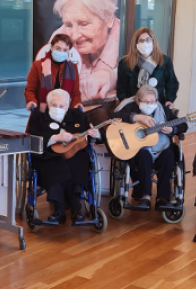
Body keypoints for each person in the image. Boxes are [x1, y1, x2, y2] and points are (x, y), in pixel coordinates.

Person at [35, 0, 121, 107]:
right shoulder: (60, 38)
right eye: (69, 25)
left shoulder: (125, 39)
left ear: (109, 19)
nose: (74, 36)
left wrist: (111, 77)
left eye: (84, 24)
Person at [26, 89, 101, 224]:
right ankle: (58, 210)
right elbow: (32, 140)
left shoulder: (78, 116)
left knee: (78, 161)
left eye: (62, 106)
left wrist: (96, 134)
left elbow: (93, 139)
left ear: (68, 106)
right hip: (48, 156)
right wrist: (54, 138)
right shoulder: (39, 118)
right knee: (54, 163)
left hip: (75, 156)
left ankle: (76, 209)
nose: (58, 108)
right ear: (48, 105)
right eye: (54, 105)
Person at [110, 85, 186, 210]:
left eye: (152, 101)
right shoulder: (131, 108)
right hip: (138, 152)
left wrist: (173, 129)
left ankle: (162, 198)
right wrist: (135, 117)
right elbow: (113, 117)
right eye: (145, 101)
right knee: (143, 154)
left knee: (169, 155)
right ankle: (145, 197)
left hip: (161, 150)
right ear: (137, 101)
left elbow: (183, 125)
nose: (149, 104)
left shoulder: (164, 111)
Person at [116, 27, 180, 108]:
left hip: (157, 104)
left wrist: (169, 100)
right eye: (141, 40)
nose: (145, 43)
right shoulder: (125, 62)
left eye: (148, 39)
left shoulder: (164, 61)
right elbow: (121, 86)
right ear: (136, 43)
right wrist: (123, 100)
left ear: (153, 42)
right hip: (133, 105)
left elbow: (171, 83)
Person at [25, 34, 82, 112]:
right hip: (43, 113)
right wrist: (31, 101)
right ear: (51, 47)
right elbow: (30, 89)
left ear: (68, 51)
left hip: (65, 113)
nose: (61, 52)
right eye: (58, 48)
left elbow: (75, 93)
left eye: (65, 50)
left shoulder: (73, 67)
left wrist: (77, 103)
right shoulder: (38, 65)